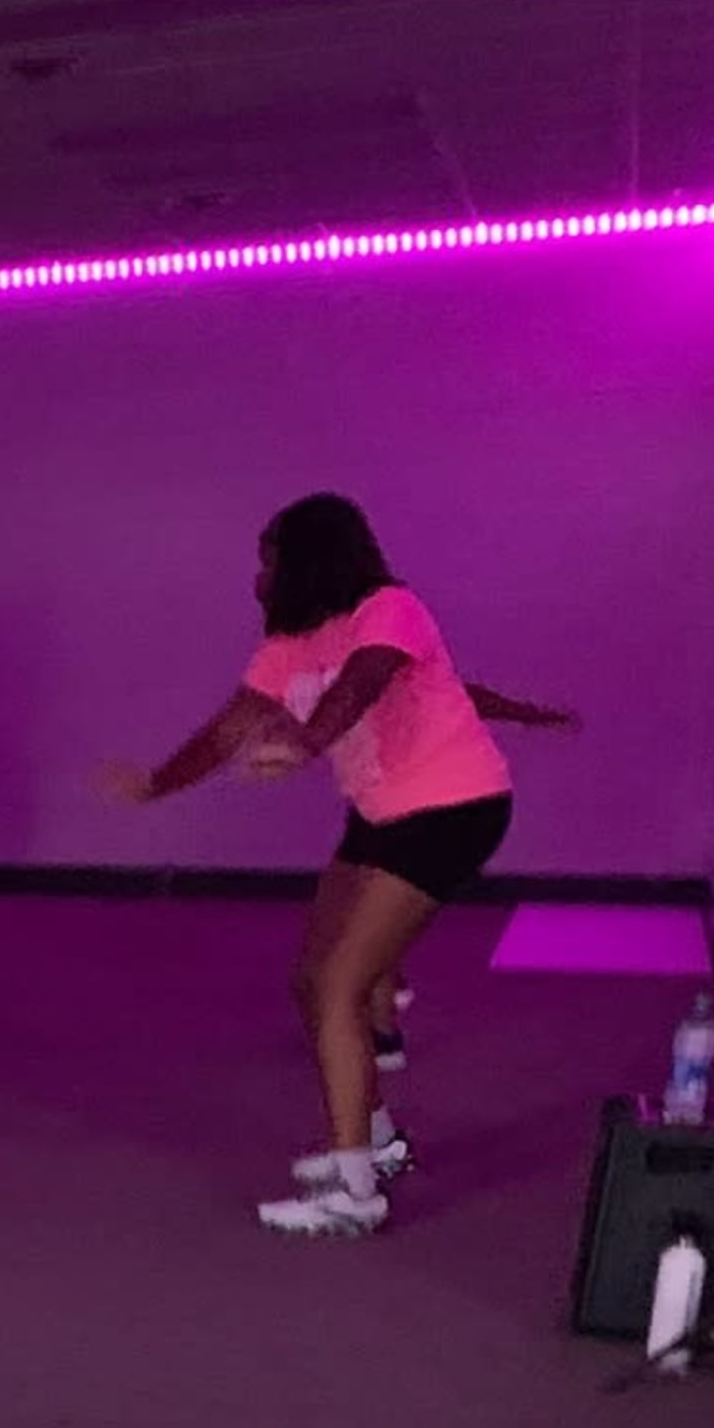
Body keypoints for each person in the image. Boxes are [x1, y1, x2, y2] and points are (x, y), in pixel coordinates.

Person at [102, 493, 574, 1238]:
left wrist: (306, 743)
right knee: (310, 978)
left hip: (454, 809)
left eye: (269, 558)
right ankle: (375, 1139)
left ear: (310, 558)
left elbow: (364, 682)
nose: (258, 576)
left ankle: (357, 1195)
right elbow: (231, 725)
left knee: (339, 988)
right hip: (381, 814)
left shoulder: (391, 609)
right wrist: (158, 782)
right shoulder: (288, 645)